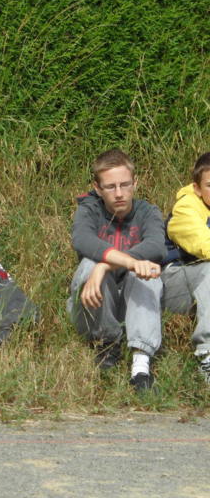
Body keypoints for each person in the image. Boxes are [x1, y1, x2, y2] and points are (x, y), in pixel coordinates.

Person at [68, 149, 165, 392]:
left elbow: (156, 246)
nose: (119, 193)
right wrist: (125, 262)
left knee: (147, 272)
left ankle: (141, 367)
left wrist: (107, 264)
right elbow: (83, 241)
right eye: (110, 187)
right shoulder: (89, 210)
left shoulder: (148, 212)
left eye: (125, 184)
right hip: (96, 304)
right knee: (89, 266)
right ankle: (105, 347)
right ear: (98, 188)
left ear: (135, 183)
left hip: (135, 301)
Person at [162, 152, 210, 385]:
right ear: (197, 187)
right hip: (172, 283)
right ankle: (207, 353)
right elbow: (204, 246)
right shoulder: (186, 208)